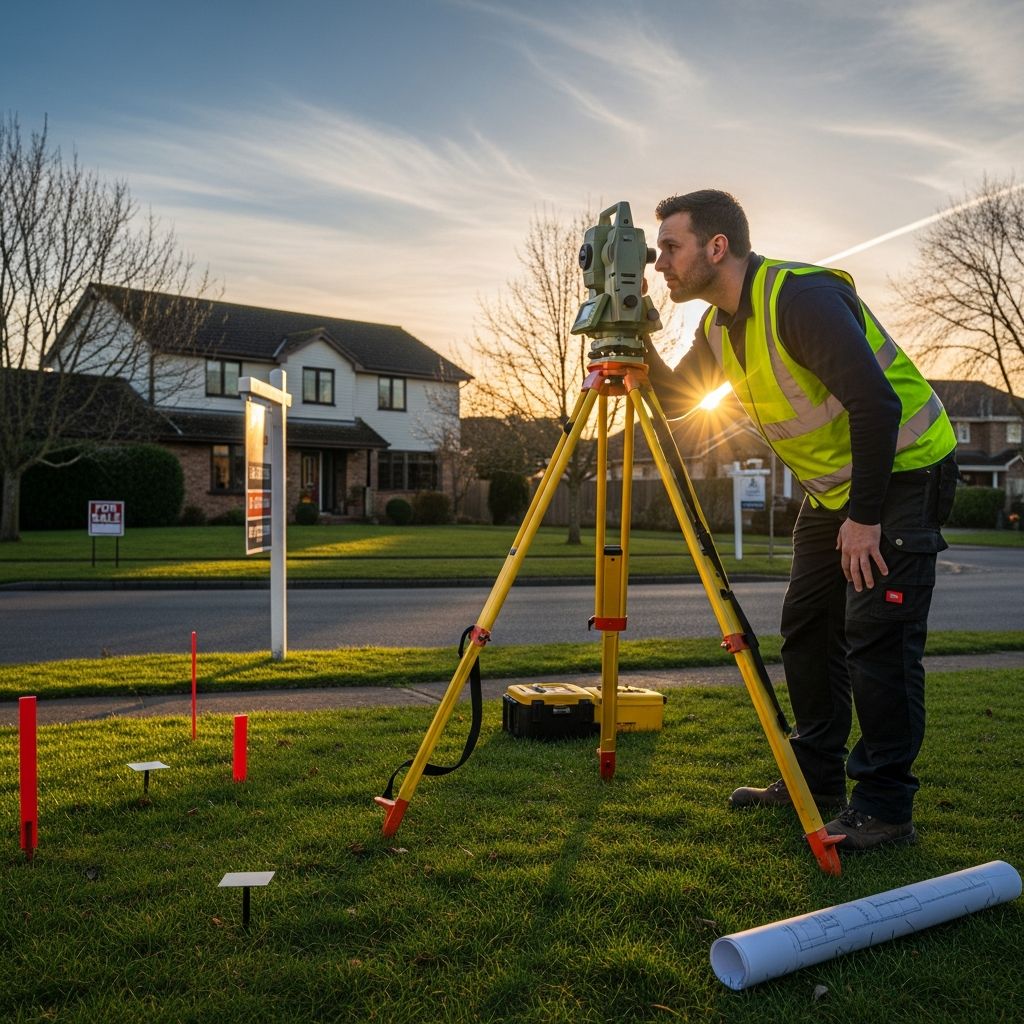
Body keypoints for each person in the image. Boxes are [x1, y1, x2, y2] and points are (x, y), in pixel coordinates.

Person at [644, 189, 958, 851]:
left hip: (904, 473)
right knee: (809, 628)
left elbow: (876, 404)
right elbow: (676, 400)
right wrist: (632, 334)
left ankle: (885, 807)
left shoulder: (798, 299)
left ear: (717, 247)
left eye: (671, 247)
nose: (660, 262)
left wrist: (866, 519)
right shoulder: (719, 328)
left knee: (877, 634)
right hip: (838, 491)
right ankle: (815, 782)